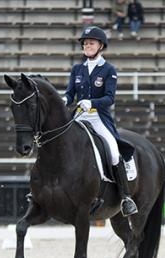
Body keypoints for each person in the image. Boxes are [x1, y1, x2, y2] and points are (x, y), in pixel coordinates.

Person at [63, 26, 138, 216]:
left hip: (98, 118)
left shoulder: (108, 70)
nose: (87, 46)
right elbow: (70, 93)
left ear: (101, 46)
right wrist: (64, 100)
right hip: (79, 116)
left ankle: (125, 197)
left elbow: (109, 98)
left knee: (113, 151)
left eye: (91, 43)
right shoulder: (77, 69)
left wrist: (92, 103)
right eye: (85, 43)